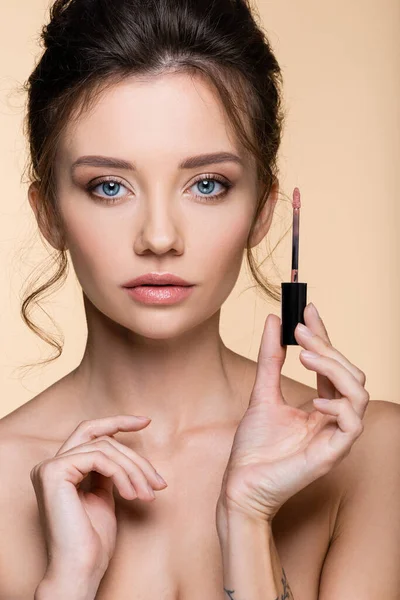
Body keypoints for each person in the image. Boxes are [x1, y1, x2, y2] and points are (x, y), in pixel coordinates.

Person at [0, 0, 399, 598]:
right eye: (109, 186)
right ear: (49, 214)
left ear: (262, 211)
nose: (160, 237)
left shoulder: (371, 455)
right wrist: (66, 586)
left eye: (207, 185)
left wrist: (247, 518)